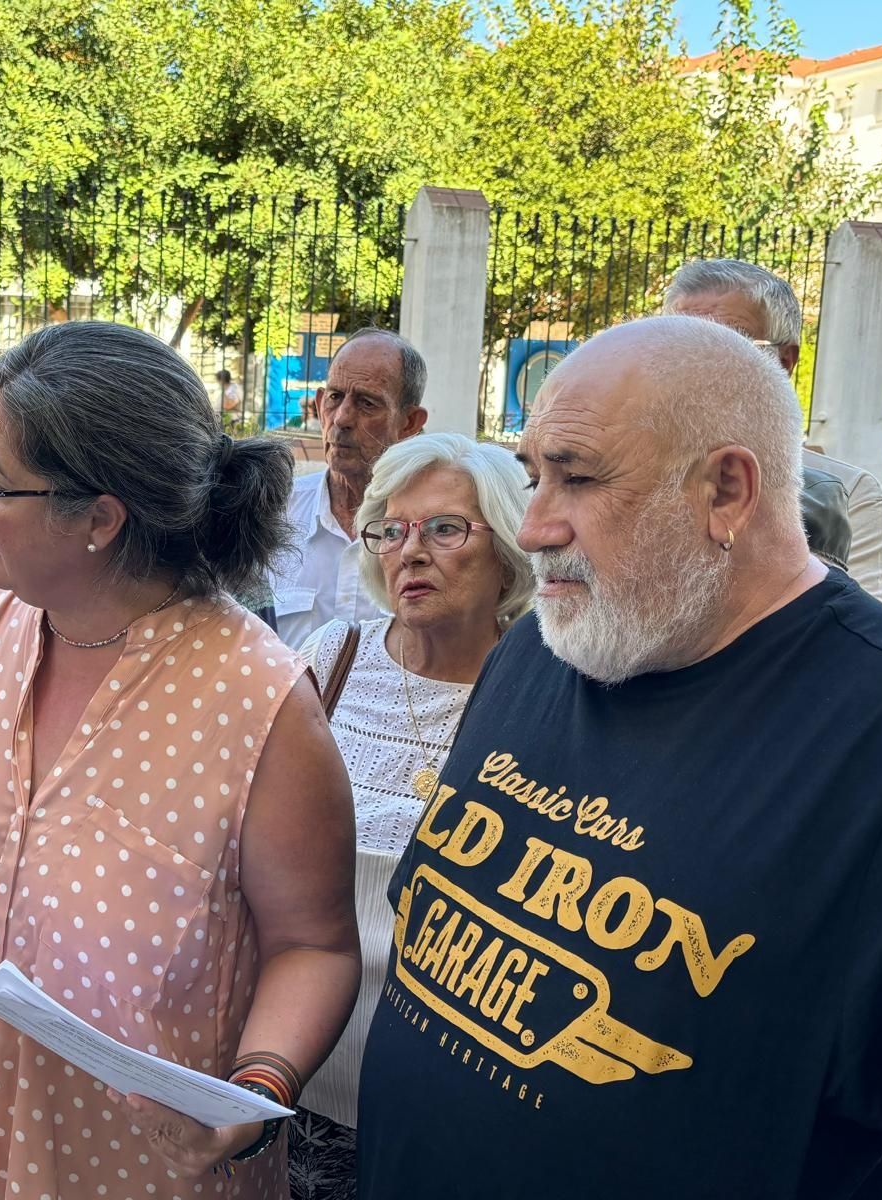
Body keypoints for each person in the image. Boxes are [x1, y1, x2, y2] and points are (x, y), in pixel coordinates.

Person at [356, 317, 882, 1199]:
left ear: (726, 491)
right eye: (535, 475)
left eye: (576, 478)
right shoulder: (542, 645)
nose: (533, 528)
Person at [0, 321, 361, 1199]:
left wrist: (258, 1087)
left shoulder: (257, 703)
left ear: (97, 518)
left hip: (132, 1169)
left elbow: (314, 945)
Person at [290, 433, 533, 1200]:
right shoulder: (334, 656)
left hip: (457, 1095)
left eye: (446, 528)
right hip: (306, 1075)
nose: (410, 551)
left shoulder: (545, 685)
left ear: (509, 550)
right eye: (391, 530)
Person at [662, 258, 882, 603]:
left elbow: (862, 640)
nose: (694, 370)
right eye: (677, 348)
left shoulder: (850, 498)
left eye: (727, 347)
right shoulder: (613, 474)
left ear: (783, 362)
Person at [265, 328, 428, 648]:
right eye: (335, 398)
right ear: (319, 402)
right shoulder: (273, 516)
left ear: (409, 423)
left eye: (367, 404)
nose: (341, 419)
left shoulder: (431, 535)